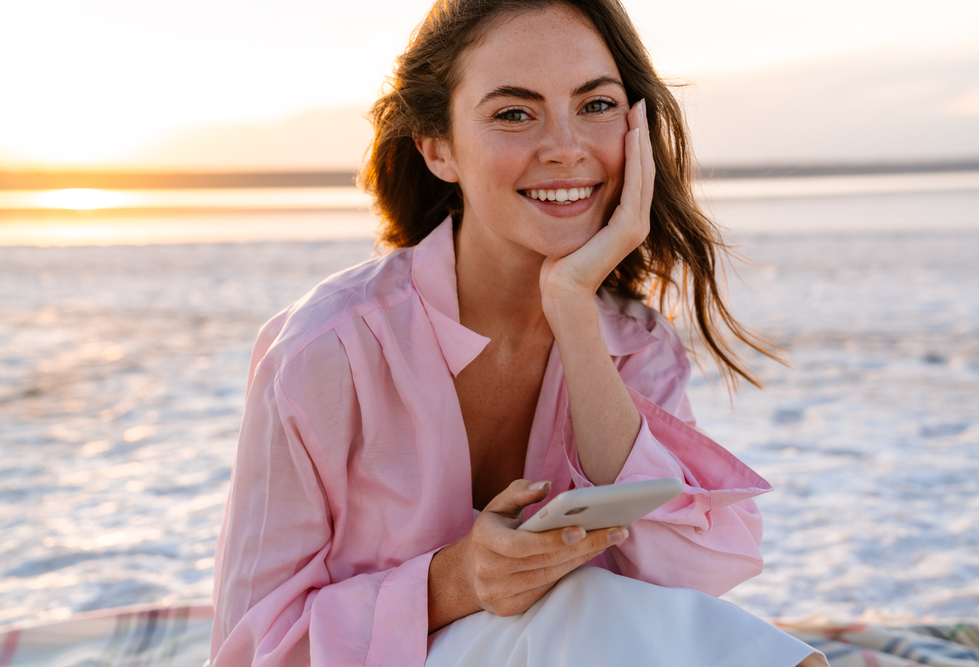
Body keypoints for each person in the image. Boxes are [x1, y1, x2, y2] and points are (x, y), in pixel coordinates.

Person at [209, 0, 828, 665]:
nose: (566, 148)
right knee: (573, 602)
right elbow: (249, 648)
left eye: (596, 106)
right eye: (513, 113)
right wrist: (458, 580)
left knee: (587, 603)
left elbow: (687, 579)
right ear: (438, 146)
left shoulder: (635, 345)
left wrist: (572, 307)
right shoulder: (326, 350)